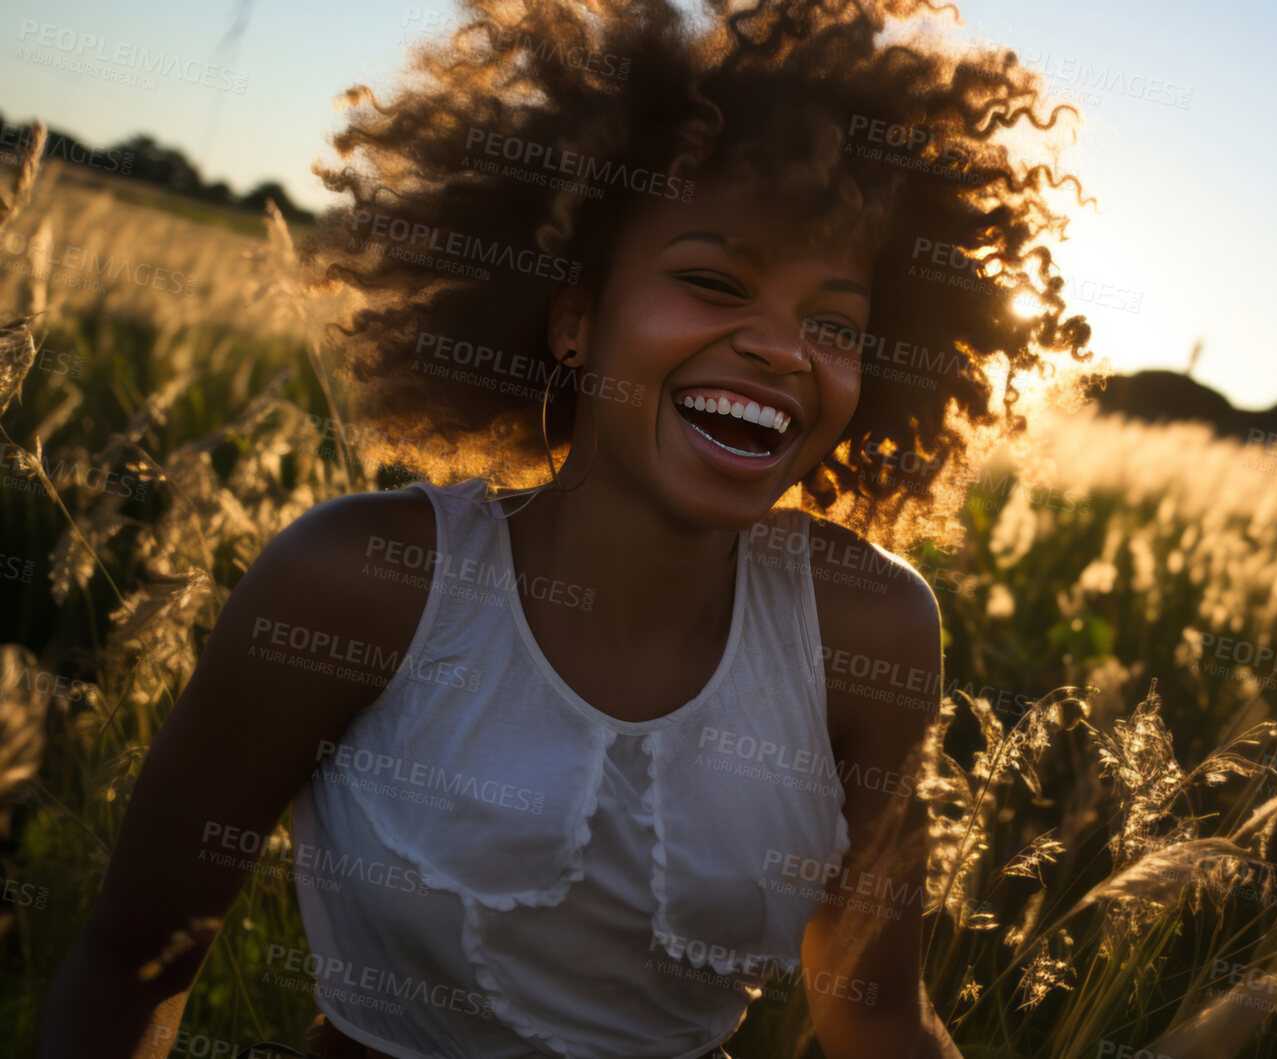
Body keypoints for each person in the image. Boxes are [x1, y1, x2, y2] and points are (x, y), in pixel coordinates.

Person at [37, 0, 1093, 1055]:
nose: (782, 350)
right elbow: (127, 966)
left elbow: (874, 1015)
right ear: (574, 318)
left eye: (834, 325)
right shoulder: (362, 582)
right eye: (711, 281)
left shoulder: (870, 630)